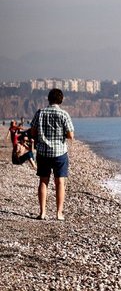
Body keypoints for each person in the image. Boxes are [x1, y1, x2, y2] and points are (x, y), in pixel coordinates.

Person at [30, 88, 75, 221]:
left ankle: (43, 212)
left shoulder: (40, 113)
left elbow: (33, 132)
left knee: (43, 181)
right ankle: (59, 213)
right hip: (59, 152)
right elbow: (71, 135)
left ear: (48, 98)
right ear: (61, 100)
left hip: (43, 152)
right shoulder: (64, 114)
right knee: (60, 182)